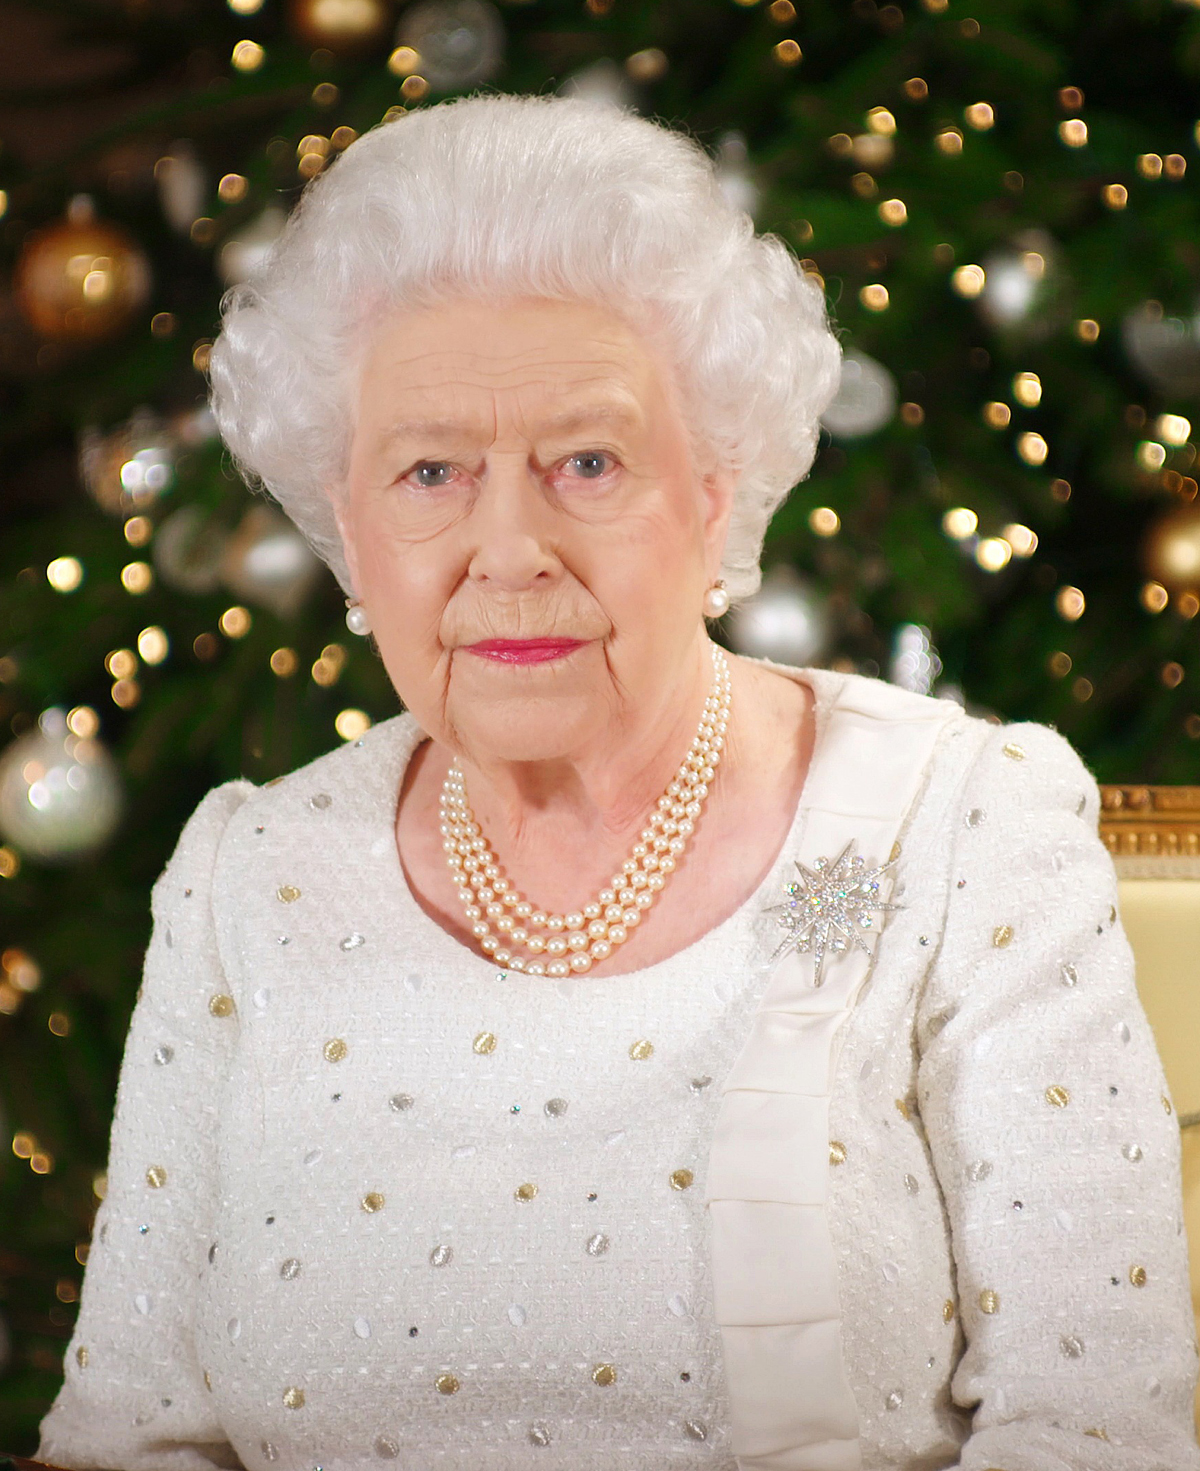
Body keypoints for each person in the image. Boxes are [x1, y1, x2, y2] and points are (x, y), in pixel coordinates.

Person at [37, 93, 1200, 1471]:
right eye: (430, 472)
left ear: (714, 493)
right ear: (348, 526)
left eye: (587, 462)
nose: (510, 546)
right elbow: (128, 1437)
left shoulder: (962, 831)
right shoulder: (248, 877)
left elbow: (1101, 1429)